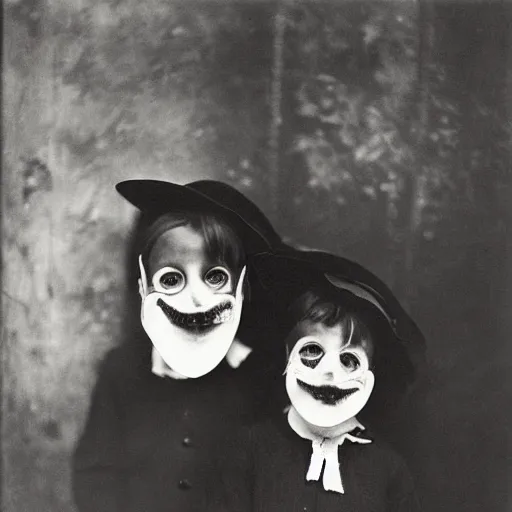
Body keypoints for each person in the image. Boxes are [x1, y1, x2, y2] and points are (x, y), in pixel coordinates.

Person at [72, 179, 283, 512]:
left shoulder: (260, 374)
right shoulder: (122, 371)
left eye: (214, 277)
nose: (196, 298)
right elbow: (96, 473)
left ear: (241, 288)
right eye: (172, 280)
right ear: (143, 288)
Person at [219, 248, 426, 512]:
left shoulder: (387, 469)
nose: (329, 372)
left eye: (349, 361)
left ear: (370, 376)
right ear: (286, 358)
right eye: (312, 351)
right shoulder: (249, 450)